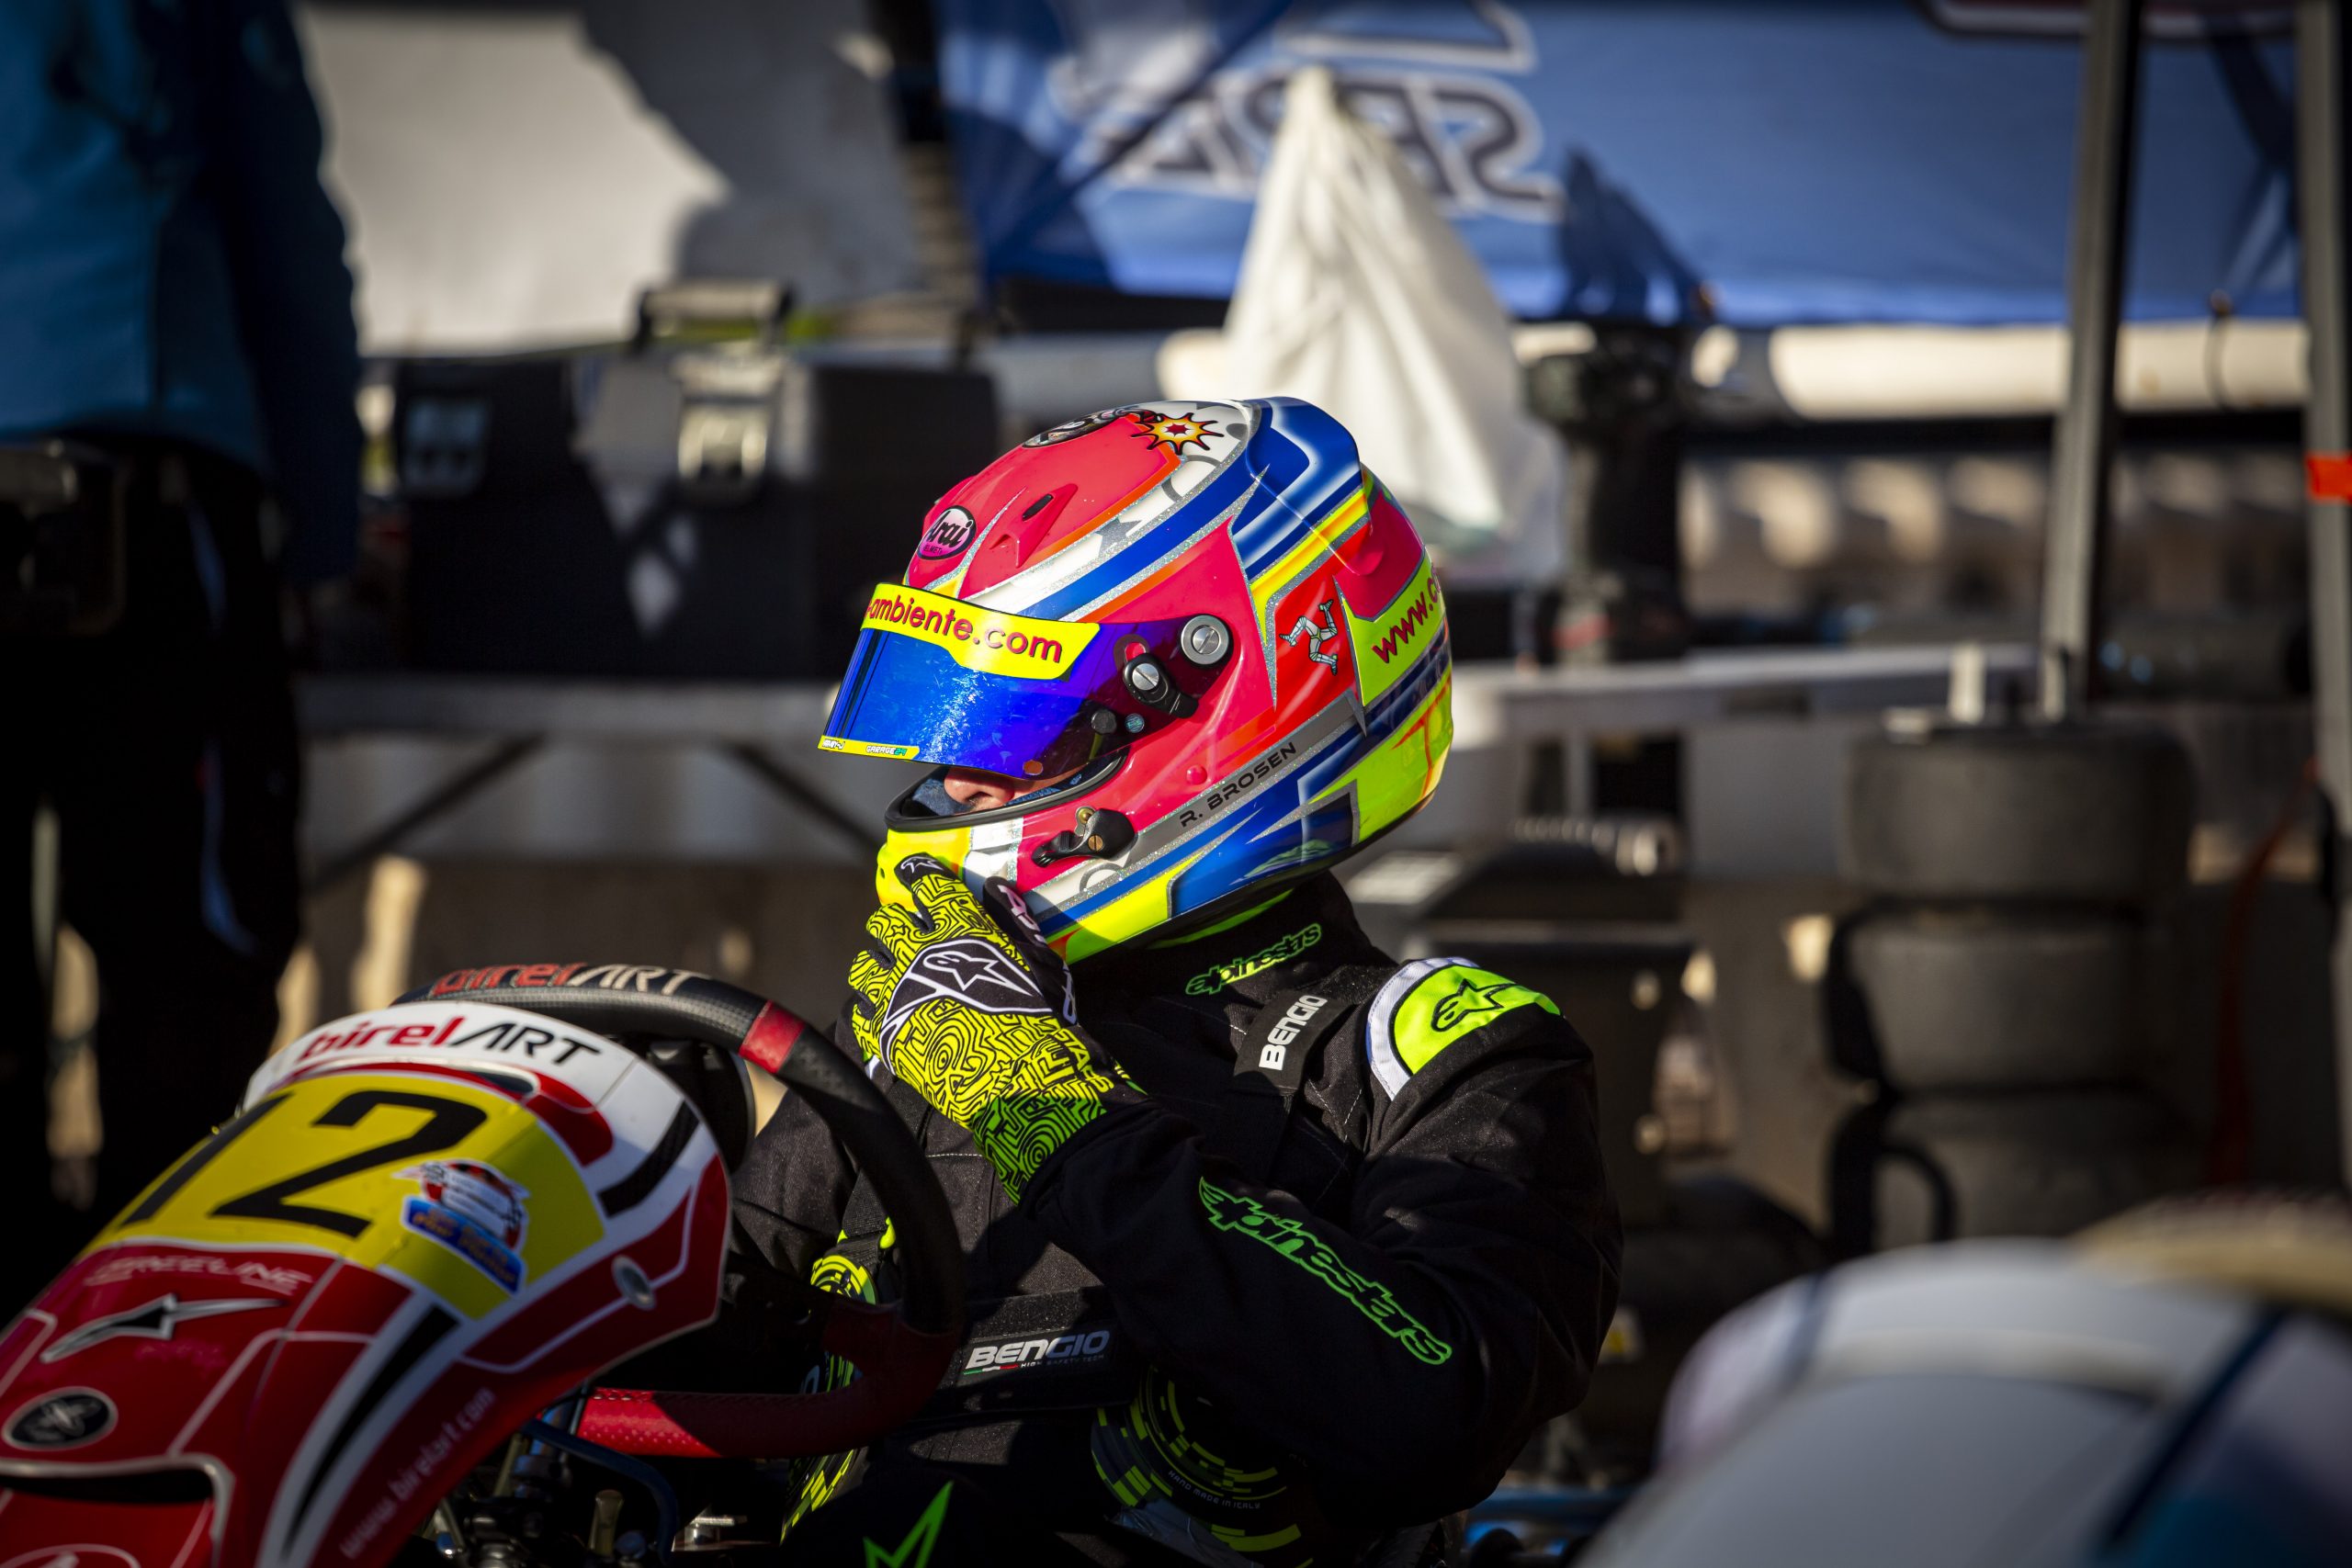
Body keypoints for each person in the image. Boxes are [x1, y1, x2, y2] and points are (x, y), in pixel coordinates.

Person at [732, 400, 1621, 1564]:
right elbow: (677, 1363)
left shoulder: (1440, 1052)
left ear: (1227, 714)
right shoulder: (920, 1035)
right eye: (954, 732)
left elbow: (1432, 1409)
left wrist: (1052, 1115)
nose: (965, 781)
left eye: (1018, 728)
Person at [0, 0, 360, 1307]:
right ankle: (153, 1314)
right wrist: (323, 534)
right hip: (142, 459)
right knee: (189, 950)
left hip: (123, 443)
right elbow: (284, 236)